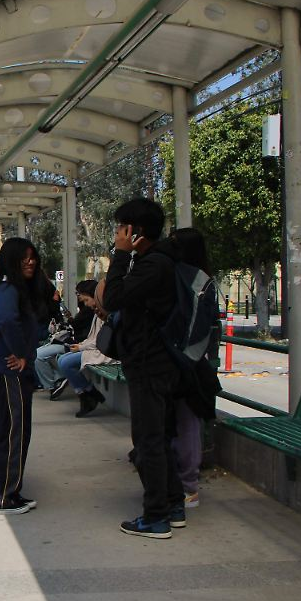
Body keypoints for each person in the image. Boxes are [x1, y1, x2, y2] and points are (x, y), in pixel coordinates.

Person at [101, 197, 184, 539]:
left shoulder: (153, 264)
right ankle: (172, 503)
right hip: (157, 362)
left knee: (148, 439)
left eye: (122, 228)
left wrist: (120, 255)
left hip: (151, 364)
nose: (117, 234)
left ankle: (156, 516)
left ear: (135, 231)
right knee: (158, 438)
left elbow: (113, 298)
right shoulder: (157, 261)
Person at [0, 237, 45, 515]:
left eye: (33, 257)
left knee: (6, 429)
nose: (30, 262)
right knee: (13, 431)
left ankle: (3, 489)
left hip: (3, 370)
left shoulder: (5, 287)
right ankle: (2, 496)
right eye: (24, 257)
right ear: (11, 260)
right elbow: (6, 319)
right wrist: (20, 352)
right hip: (10, 371)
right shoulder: (8, 289)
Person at [166, 227, 217, 510]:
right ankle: (184, 483)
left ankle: (188, 487)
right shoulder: (202, 278)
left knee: (185, 422)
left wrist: (182, 359)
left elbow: (199, 327)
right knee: (184, 422)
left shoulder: (196, 280)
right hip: (188, 361)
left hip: (186, 363)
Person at [51, 279, 108, 416]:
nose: (86, 304)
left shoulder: (101, 312)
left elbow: (99, 340)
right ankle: (88, 392)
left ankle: (87, 394)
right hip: (93, 347)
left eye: (87, 300)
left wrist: (81, 347)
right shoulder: (96, 312)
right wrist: (82, 346)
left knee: (65, 362)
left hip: (102, 351)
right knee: (63, 360)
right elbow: (94, 338)